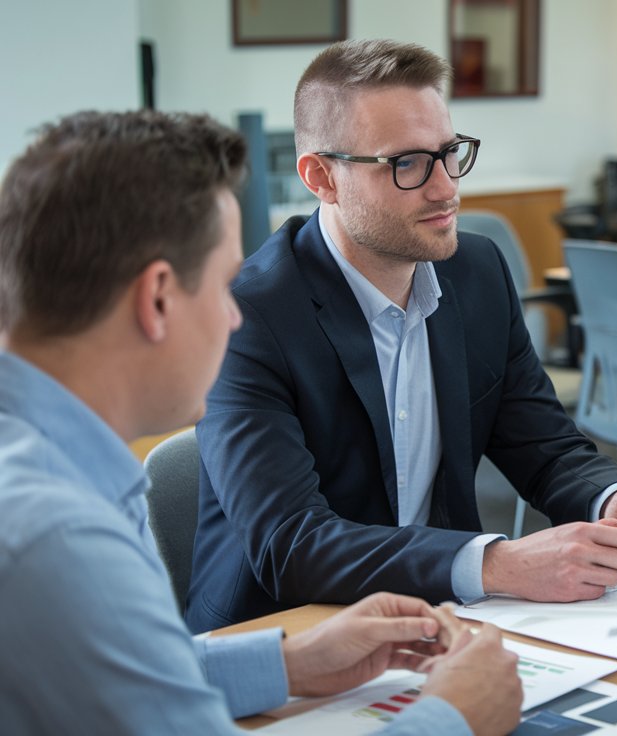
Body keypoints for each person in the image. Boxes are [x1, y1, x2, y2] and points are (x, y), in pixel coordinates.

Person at [0, 110, 522, 735]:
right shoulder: (57, 536)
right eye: (222, 287)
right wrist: (455, 716)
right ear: (158, 299)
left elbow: (116, 675)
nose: (234, 319)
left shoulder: (61, 466)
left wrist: (288, 663)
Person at [186, 39, 617, 632]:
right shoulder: (248, 316)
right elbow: (291, 544)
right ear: (322, 176)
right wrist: (496, 563)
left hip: (441, 622)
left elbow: (547, 449)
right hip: (283, 638)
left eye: (449, 154)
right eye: (407, 164)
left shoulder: (475, 272)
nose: (446, 187)